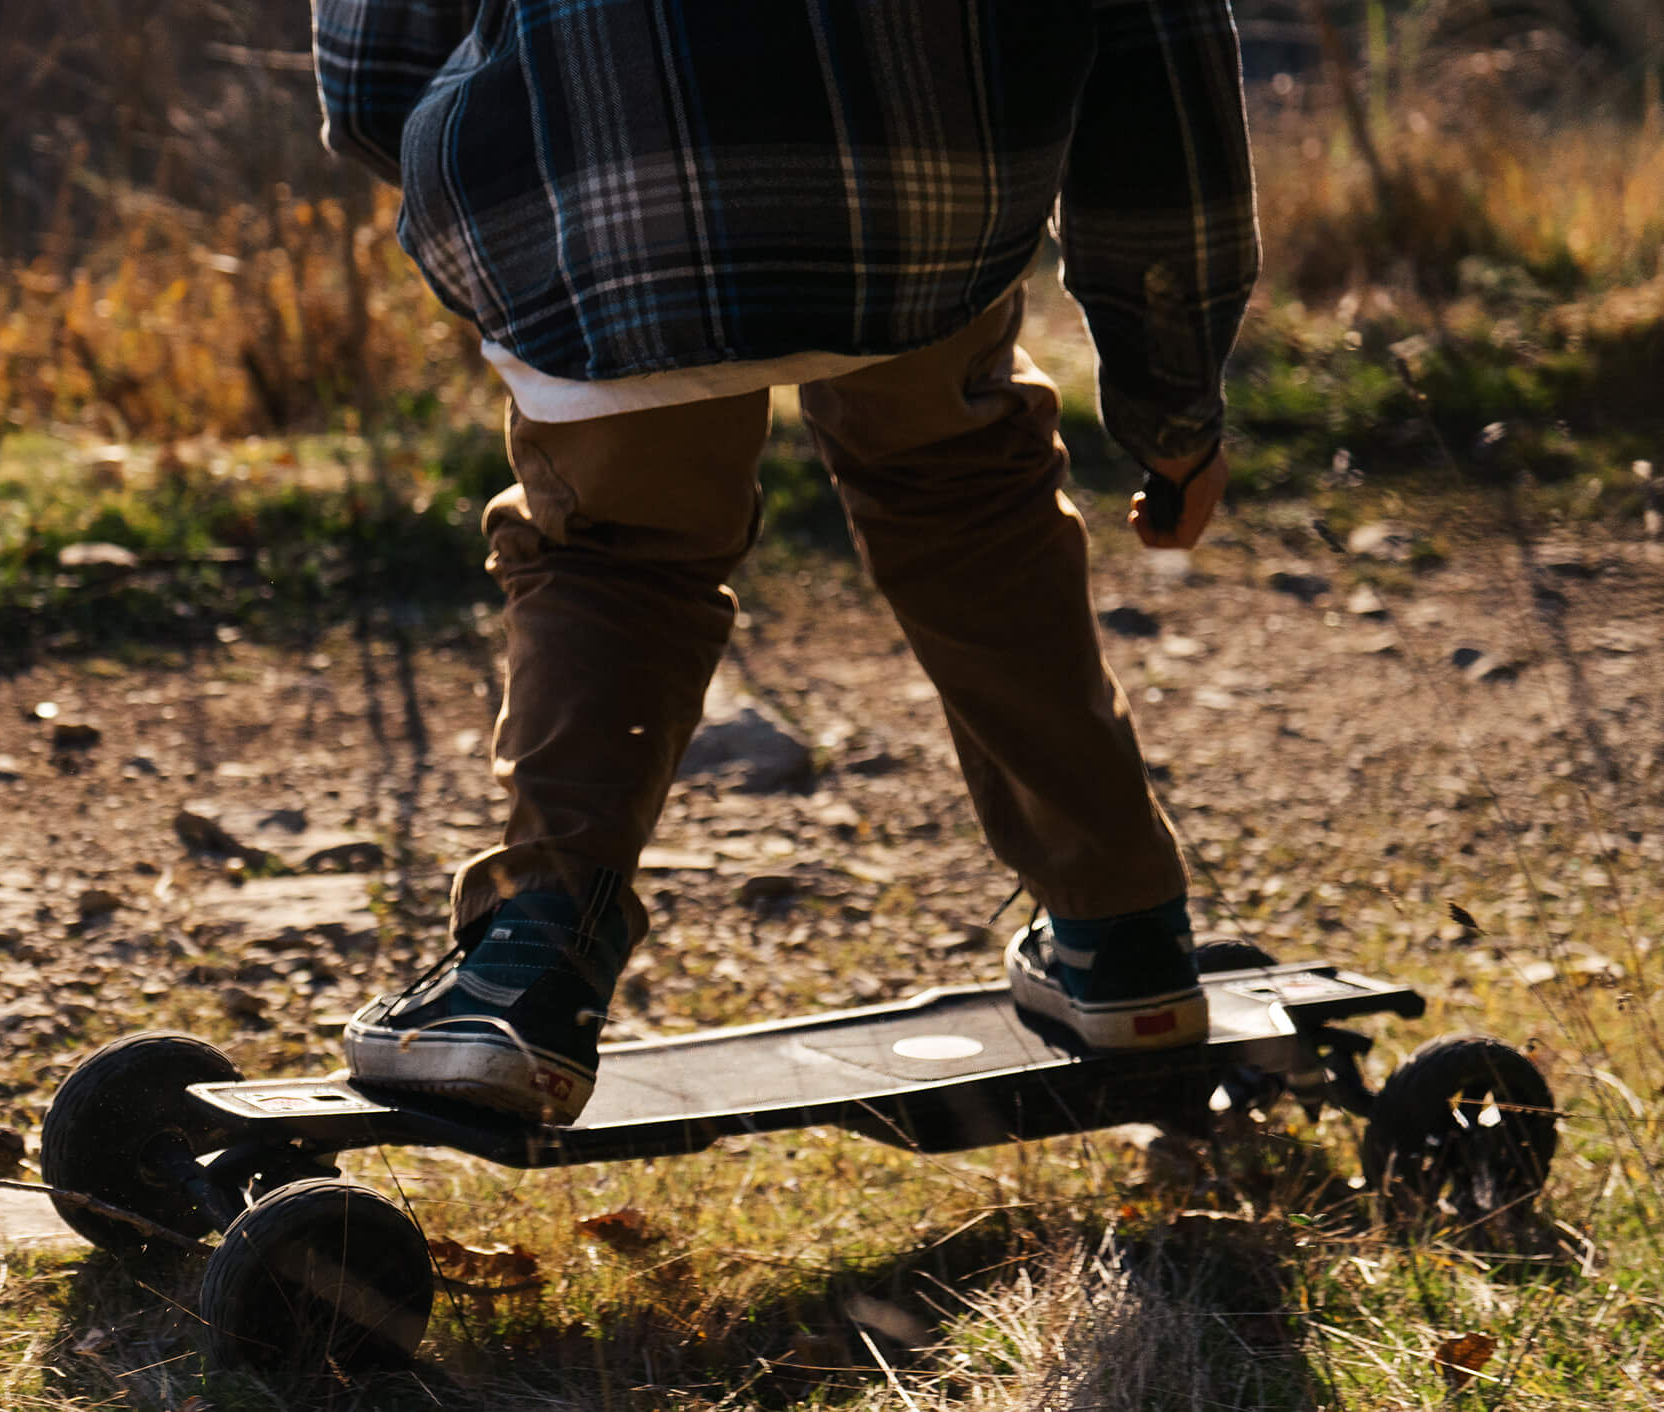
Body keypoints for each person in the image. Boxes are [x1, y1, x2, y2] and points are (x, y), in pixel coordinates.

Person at [314, 0, 1258, 1122]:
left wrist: (499, 161)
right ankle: (1124, 939)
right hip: (931, 183)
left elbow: (374, 68)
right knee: (965, 501)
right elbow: (1163, 52)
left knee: (614, 542)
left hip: (611, 162)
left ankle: (525, 972)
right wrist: (1174, 396)